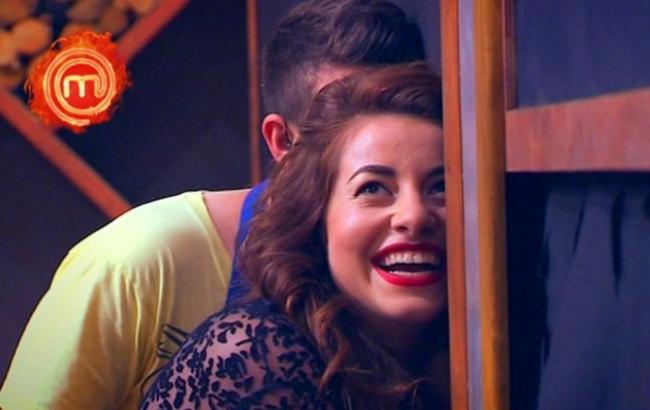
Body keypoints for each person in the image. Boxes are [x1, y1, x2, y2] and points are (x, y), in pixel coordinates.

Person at [0, 1, 426, 408]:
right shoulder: (139, 260)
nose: (372, 148)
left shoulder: (423, 263)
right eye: (338, 124)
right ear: (282, 141)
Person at [141, 63, 449, 409]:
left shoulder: (464, 355)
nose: (414, 216)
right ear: (317, 216)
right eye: (373, 188)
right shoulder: (259, 358)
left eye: (441, 187)